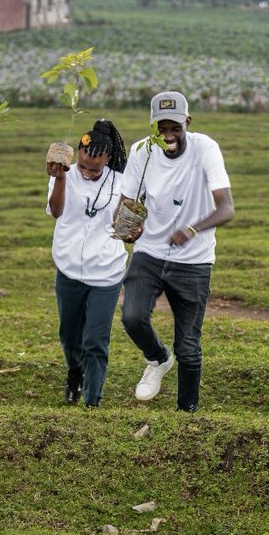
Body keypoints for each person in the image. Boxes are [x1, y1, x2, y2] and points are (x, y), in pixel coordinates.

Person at [116, 91, 234, 412]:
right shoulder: (143, 150)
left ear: (188, 123)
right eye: (161, 129)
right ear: (152, 126)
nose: (168, 137)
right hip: (150, 252)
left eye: (175, 129)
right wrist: (127, 225)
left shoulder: (206, 149)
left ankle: (187, 414)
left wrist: (192, 229)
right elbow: (126, 199)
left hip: (193, 260)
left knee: (189, 347)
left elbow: (226, 208)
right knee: (132, 316)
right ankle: (157, 358)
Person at [46, 119, 128, 406]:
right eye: (83, 166)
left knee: (96, 341)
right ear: (78, 154)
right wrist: (61, 178)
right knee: (69, 336)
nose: (89, 173)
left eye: (95, 169)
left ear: (108, 159)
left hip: (106, 272)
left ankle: (93, 400)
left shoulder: (121, 183)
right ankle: (74, 373)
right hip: (68, 269)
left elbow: (126, 227)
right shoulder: (63, 173)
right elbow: (56, 211)